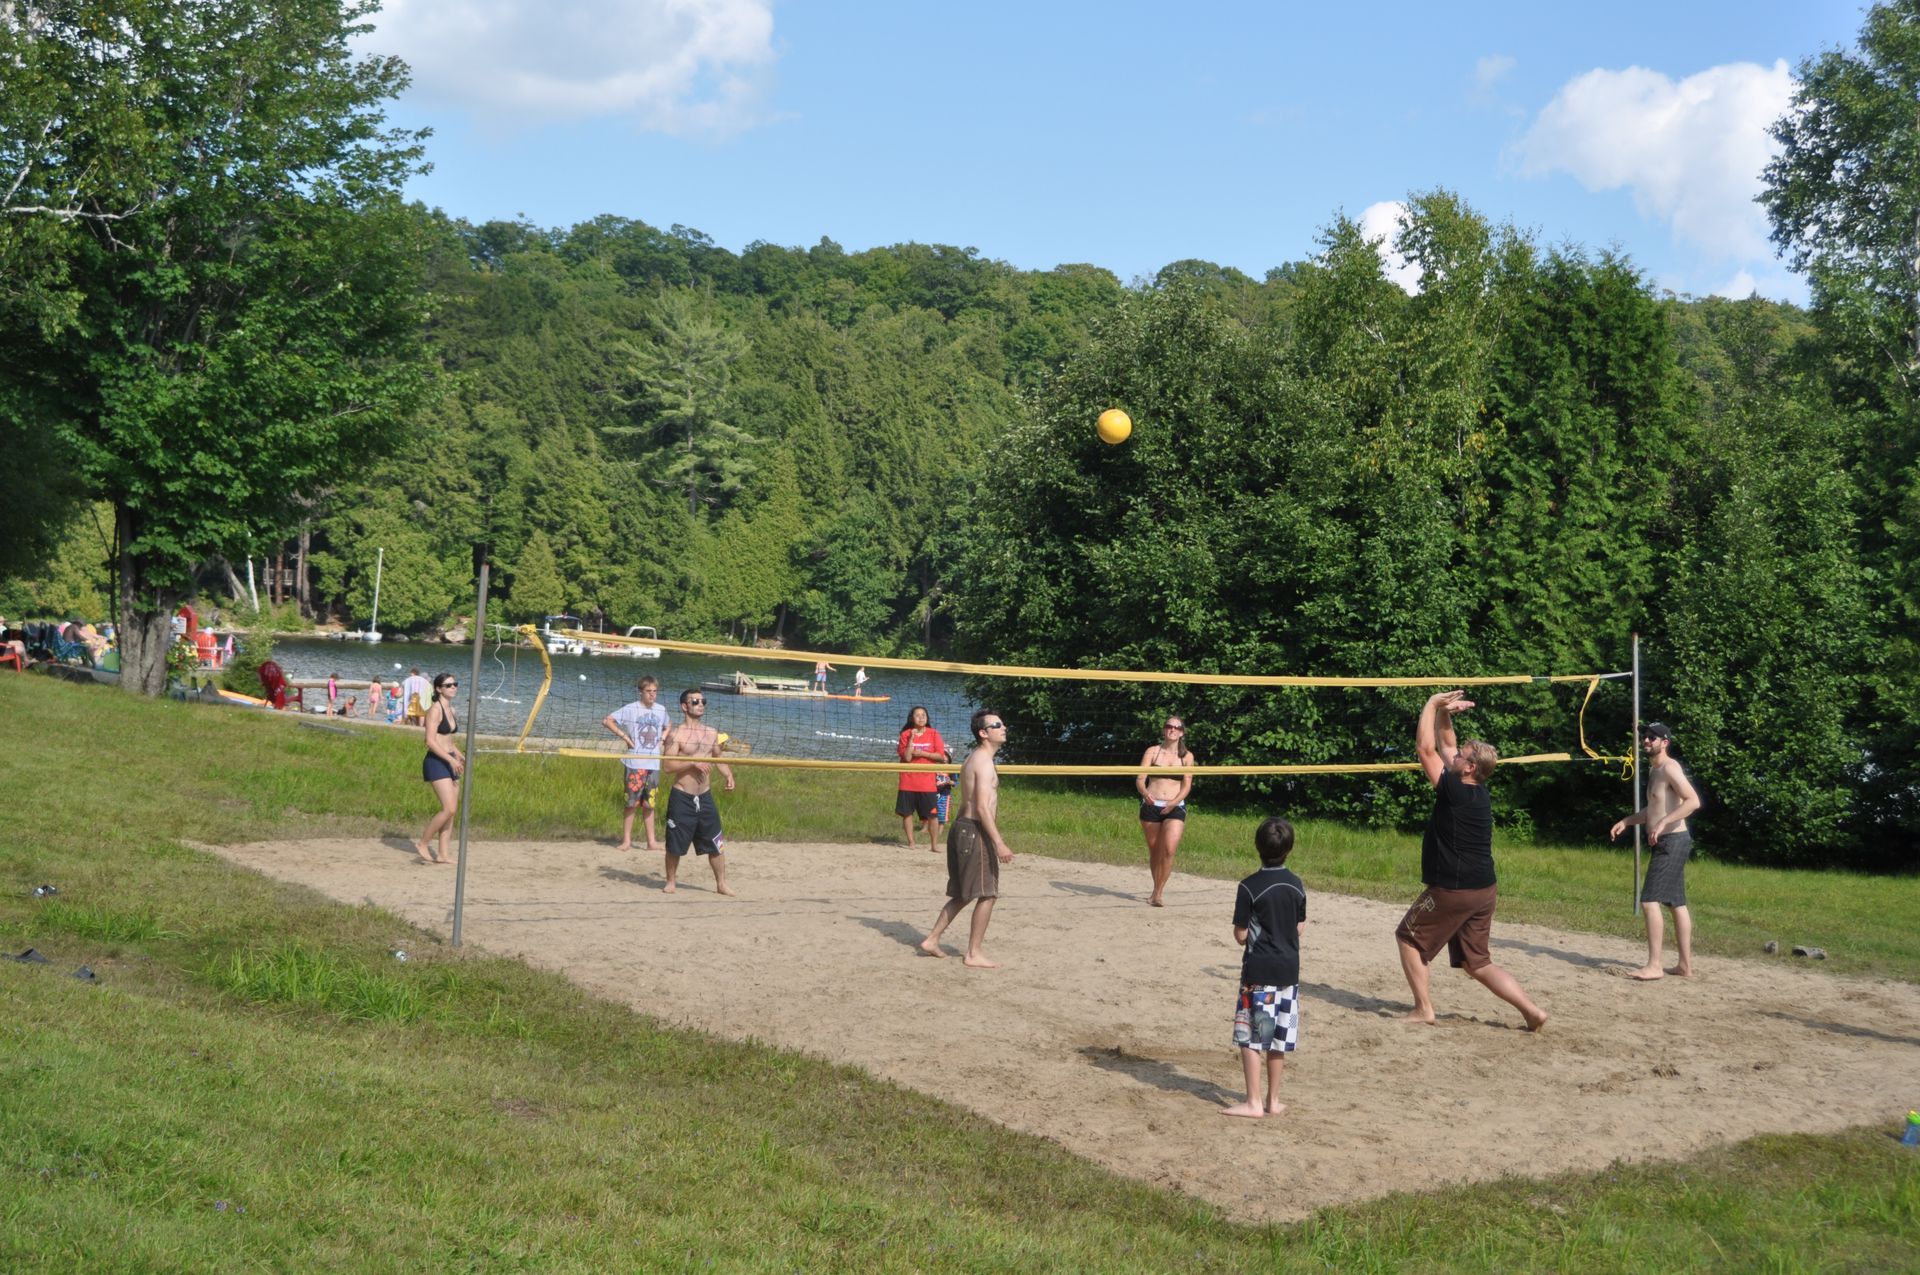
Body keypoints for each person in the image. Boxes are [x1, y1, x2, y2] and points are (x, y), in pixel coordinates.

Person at [1394, 690, 1547, 1031]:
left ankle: (1423, 1009)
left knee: (1408, 938)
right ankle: (1532, 1011)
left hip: (1455, 888)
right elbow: (1447, 746)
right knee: (1477, 962)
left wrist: (1432, 703)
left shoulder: (1454, 789)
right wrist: (1445, 714)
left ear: (1470, 767)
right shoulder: (1476, 789)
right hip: (1484, 888)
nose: (1455, 755)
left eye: (1461, 756)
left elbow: (1426, 749)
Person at [1222, 817, 1306, 1119]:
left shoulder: (1249, 886)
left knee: (1252, 1037)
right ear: (1289, 848)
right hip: (1288, 973)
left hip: (1258, 974)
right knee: (1278, 1039)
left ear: (1257, 847)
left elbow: (1241, 935)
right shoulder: (1296, 884)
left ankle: (1254, 1102)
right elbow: (1299, 927)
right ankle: (1273, 1100)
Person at [1610, 722, 1703, 980]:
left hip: (1672, 842)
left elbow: (1693, 801)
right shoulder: (1655, 771)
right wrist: (1627, 821)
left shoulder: (1670, 768)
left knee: (1649, 900)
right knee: (1676, 903)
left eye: (1653, 737)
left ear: (1665, 742)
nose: (1647, 741)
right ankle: (1685, 966)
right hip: (1670, 842)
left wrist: (1663, 823)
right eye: (1645, 737)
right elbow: (1653, 810)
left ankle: (1654, 965)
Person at [919, 709, 1013, 967]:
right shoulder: (982, 761)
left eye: (1002, 722)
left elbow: (968, 805)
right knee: (988, 893)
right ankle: (973, 953)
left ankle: (932, 939)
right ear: (983, 733)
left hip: (964, 828)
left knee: (963, 893)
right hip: (975, 829)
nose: (1003, 727)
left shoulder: (975, 758)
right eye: (997, 724)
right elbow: (982, 807)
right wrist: (998, 842)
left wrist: (959, 835)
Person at [659, 689, 736, 895]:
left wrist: (728, 775)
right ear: (685, 706)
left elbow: (718, 758)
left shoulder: (711, 733)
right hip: (682, 796)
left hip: (705, 796)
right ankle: (671, 881)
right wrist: (692, 762)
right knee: (675, 844)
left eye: (703, 701)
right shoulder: (676, 735)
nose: (700, 704)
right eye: (695, 701)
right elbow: (667, 767)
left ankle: (721, 884)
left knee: (716, 843)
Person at [604, 675, 673, 854]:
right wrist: (625, 737)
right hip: (635, 762)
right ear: (641, 692)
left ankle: (651, 842)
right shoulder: (631, 708)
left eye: (655, 691)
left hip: (654, 763)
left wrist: (663, 739)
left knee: (649, 803)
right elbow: (607, 720)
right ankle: (626, 840)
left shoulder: (661, 709)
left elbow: (669, 724)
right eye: (648, 691)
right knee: (631, 803)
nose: (652, 695)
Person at [1136, 715, 1196, 907]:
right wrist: (1145, 793)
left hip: (1175, 806)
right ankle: (1155, 889)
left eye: (1177, 728)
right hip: (1152, 805)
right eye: (1169, 726)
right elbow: (1139, 779)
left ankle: (1158, 893)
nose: (1173, 729)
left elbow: (1187, 786)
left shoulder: (1186, 756)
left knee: (1169, 850)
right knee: (1155, 851)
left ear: (1182, 733)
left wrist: (1174, 803)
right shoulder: (1152, 752)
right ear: (1164, 730)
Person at [413, 673, 464, 865]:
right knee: (448, 808)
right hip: (436, 761)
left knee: (452, 812)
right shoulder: (435, 710)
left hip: (450, 759)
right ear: (438, 689)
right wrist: (450, 761)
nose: (453, 687)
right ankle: (423, 843)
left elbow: (448, 739)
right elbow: (430, 741)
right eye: (448, 685)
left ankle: (443, 854)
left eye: (455, 684)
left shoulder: (451, 709)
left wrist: (458, 754)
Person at [895, 706, 951, 851]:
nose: (921, 717)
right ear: (911, 718)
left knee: (932, 815)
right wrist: (911, 740)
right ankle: (911, 842)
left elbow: (940, 756)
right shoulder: (906, 734)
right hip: (908, 781)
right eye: (917, 715)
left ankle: (934, 845)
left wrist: (922, 753)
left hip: (927, 782)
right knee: (907, 814)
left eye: (923, 715)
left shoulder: (934, 734)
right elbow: (907, 758)